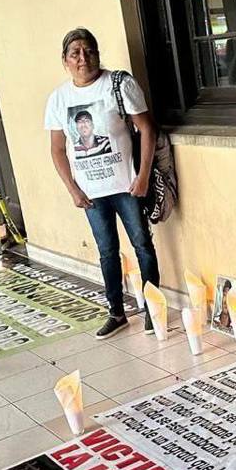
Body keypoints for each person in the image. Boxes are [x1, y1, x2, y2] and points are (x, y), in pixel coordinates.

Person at [45, 27, 160, 339]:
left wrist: (144, 176)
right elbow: (57, 149)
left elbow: (147, 129)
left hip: (127, 186)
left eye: (89, 50)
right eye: (75, 53)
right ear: (65, 60)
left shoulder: (118, 84)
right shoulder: (58, 99)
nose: (83, 58)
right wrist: (73, 189)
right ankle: (116, 313)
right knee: (107, 251)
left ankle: (153, 311)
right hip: (91, 194)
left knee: (142, 246)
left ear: (97, 53)